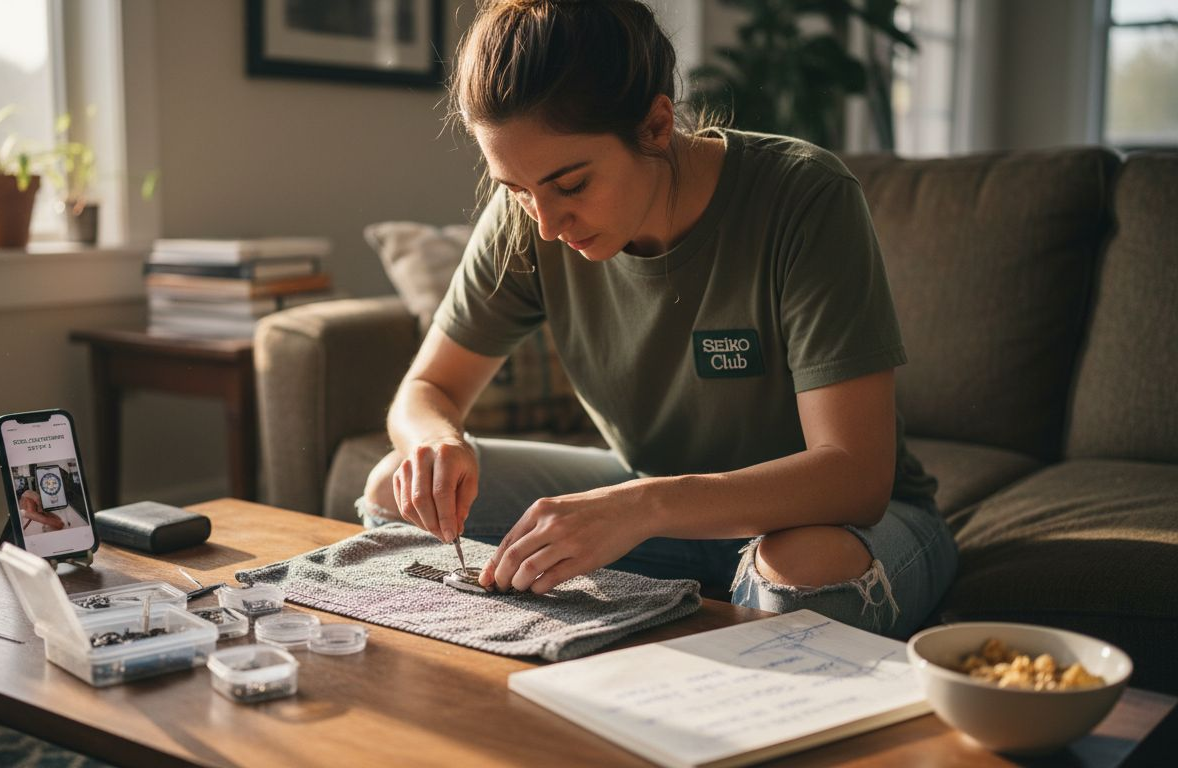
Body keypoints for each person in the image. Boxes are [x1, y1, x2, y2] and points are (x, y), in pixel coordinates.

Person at [358, 0, 957, 637]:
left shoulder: (805, 197)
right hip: (658, 507)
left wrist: (644, 506)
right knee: (395, 486)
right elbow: (427, 391)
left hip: (840, 523)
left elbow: (856, 474)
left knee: (803, 565)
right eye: (515, 189)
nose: (546, 224)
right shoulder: (527, 223)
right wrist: (436, 443)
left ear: (656, 125)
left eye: (572, 184)